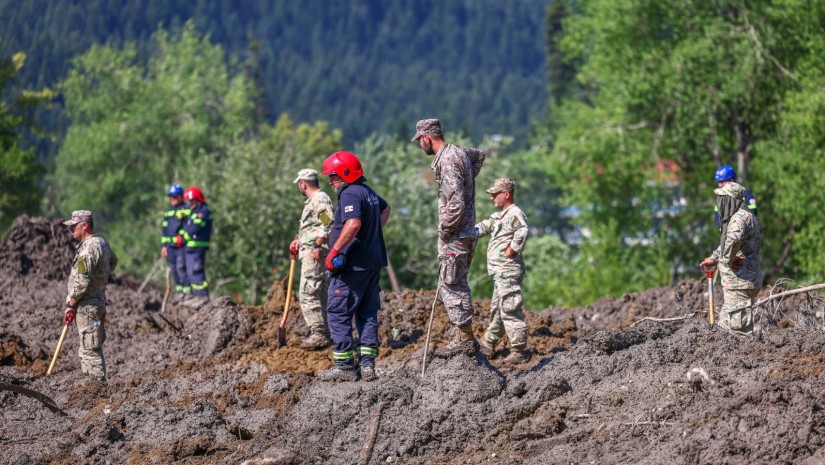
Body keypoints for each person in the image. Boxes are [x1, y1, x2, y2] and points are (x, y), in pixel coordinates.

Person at [412, 118, 485, 357]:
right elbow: (479, 156)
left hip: (456, 234)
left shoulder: (448, 160)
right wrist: (469, 180)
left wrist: (445, 228)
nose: (420, 145)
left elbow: (456, 202)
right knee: (454, 281)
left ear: (426, 138)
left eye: (419, 141)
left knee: (453, 285)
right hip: (467, 231)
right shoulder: (458, 153)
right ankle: (461, 333)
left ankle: (465, 338)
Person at [317, 151, 391, 382]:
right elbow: (386, 209)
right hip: (372, 264)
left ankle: (345, 366)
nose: (330, 182)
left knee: (338, 312)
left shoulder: (349, 193)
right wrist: (373, 233)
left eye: (333, 176)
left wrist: (335, 251)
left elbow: (353, 223)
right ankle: (367, 365)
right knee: (367, 313)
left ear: (346, 174)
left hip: (352, 267)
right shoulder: (368, 192)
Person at [474, 178, 530, 363]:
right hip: (500, 271)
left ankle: (519, 351)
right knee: (497, 309)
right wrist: (464, 233)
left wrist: (513, 248)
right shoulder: (500, 215)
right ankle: (489, 343)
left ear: (506, 194)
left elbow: (523, 230)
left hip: (508, 269)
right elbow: (485, 226)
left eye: (494, 195)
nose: (492, 199)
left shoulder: (515, 213)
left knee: (509, 308)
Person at [700, 181, 762, 334]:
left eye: (722, 198)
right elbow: (729, 243)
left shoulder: (740, 218)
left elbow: (733, 239)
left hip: (740, 282)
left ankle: (748, 357)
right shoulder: (740, 216)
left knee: (739, 332)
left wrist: (728, 259)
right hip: (738, 283)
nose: (719, 202)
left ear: (731, 199)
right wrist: (714, 258)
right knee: (724, 329)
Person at [63, 210, 118, 380]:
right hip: (98, 302)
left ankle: (96, 390)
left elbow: (81, 281)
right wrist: (100, 278)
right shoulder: (102, 243)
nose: (71, 230)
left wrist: (71, 304)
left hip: (87, 307)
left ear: (84, 225)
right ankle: (95, 387)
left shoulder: (87, 249)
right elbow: (113, 262)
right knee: (94, 347)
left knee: (89, 351)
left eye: (74, 226)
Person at [289, 168, 335, 349]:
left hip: (315, 253)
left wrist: (317, 245)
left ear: (303, 183)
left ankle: (319, 333)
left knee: (309, 292)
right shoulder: (316, 199)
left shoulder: (319, 199)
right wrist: (299, 240)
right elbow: (315, 226)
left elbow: (328, 222)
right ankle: (326, 331)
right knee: (318, 290)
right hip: (310, 249)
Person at [179, 186, 213, 307]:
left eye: (192, 201)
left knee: (196, 271)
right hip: (190, 248)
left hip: (198, 248)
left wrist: (184, 232)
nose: (190, 204)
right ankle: (196, 295)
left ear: (198, 199)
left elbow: (194, 228)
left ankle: (202, 296)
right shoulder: (193, 211)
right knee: (190, 272)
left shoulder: (204, 211)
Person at [161, 183, 191, 302]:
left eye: (175, 196)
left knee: (181, 268)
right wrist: (164, 246)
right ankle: (179, 292)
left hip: (181, 247)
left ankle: (187, 293)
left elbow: (189, 226)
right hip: (170, 248)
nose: (172, 199)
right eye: (171, 196)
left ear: (180, 197)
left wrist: (182, 238)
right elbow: (164, 229)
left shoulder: (186, 209)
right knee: (173, 270)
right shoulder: (168, 212)